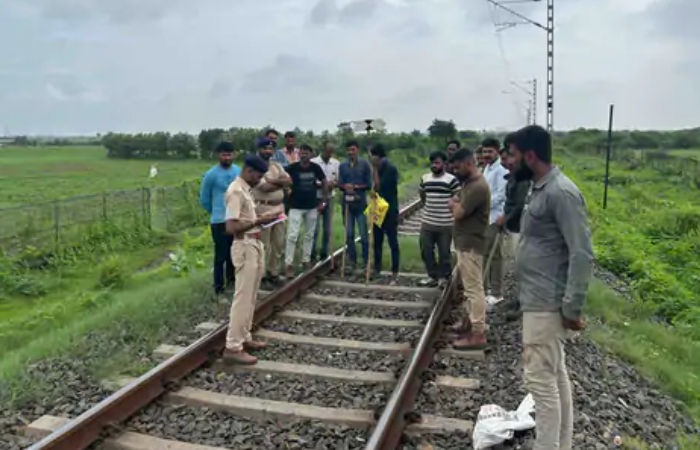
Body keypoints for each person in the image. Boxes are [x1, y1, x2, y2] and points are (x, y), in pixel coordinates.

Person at [510, 124, 593, 450]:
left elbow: (582, 253)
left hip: (545, 304)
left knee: (541, 384)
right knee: (556, 377)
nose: (510, 161)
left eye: (514, 155)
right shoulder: (540, 188)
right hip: (538, 299)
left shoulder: (561, 193)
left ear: (530, 156)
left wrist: (572, 307)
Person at [222, 155, 279, 365]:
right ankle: (233, 346)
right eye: (258, 176)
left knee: (252, 295)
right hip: (244, 245)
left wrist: (262, 221)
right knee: (243, 297)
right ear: (248, 171)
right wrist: (258, 220)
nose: (259, 180)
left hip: (254, 243)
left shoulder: (246, 190)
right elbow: (231, 227)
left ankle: (245, 336)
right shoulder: (236, 191)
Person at [447, 148, 490, 350]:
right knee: (468, 287)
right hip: (465, 242)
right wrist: (456, 203)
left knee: (474, 289)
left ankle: (478, 333)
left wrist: (454, 205)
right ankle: (469, 323)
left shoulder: (477, 187)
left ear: (469, 163)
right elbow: (457, 201)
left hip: (471, 243)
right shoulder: (469, 183)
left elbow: (458, 212)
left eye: (458, 167)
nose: (455, 171)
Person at [199, 141, 241, 296]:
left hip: (235, 219)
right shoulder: (211, 175)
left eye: (229, 155)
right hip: (219, 221)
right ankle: (219, 288)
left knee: (234, 253)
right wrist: (216, 212)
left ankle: (232, 282)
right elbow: (204, 199)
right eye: (224, 155)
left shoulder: (238, 171)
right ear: (218, 155)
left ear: (234, 155)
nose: (227, 158)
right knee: (220, 255)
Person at [418, 151, 461, 288]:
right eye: (432, 163)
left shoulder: (451, 180)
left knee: (444, 253)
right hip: (428, 222)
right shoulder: (425, 179)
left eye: (437, 163)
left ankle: (444, 277)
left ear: (444, 164)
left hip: (446, 224)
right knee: (426, 250)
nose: (434, 165)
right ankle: (433, 276)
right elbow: (422, 195)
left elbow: (458, 196)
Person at [252, 137, 291, 287]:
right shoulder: (255, 167)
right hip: (263, 208)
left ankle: (273, 273)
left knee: (278, 243)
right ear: (259, 150)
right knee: (264, 244)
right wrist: (281, 183)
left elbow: (289, 181)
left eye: (270, 149)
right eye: (265, 148)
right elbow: (264, 188)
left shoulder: (276, 166)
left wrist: (273, 181)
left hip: (278, 208)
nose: (268, 151)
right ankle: (261, 277)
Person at [284, 144, 327, 277]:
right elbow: (283, 178)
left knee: (309, 235)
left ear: (311, 154)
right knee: (292, 235)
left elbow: (324, 181)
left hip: (311, 206)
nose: (303, 155)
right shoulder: (292, 167)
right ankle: (288, 264)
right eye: (301, 153)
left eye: (306, 153)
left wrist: (323, 201)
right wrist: (286, 190)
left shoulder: (315, 167)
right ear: (299, 154)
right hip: (295, 206)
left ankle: (306, 260)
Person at [481, 137, 509, 306]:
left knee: (495, 255)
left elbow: (501, 195)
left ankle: (497, 293)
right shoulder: (487, 168)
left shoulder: (501, 170)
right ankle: (484, 290)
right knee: (485, 254)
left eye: (490, 151)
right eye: (484, 151)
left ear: (497, 151)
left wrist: (482, 204)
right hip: (485, 217)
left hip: (495, 217)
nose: (486, 154)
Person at [338, 140, 372, 276]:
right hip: (347, 205)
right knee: (349, 234)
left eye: (353, 149)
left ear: (357, 150)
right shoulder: (343, 166)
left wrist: (355, 187)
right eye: (348, 150)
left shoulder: (365, 164)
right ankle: (352, 261)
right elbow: (340, 183)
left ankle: (365, 261)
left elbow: (368, 184)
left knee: (364, 235)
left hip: (360, 204)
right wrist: (345, 187)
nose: (350, 152)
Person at [369, 143, 400, 283]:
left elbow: (378, 186)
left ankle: (395, 270)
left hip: (389, 208)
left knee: (392, 241)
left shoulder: (390, 168)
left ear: (377, 156)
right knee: (377, 240)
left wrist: (375, 169)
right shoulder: (376, 168)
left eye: (372, 156)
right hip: (377, 207)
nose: (370, 159)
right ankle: (377, 268)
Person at [310, 140, 340, 262]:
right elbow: (311, 181)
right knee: (314, 228)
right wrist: (323, 185)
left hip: (329, 198)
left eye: (331, 152)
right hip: (316, 198)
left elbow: (338, 180)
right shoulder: (313, 162)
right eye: (328, 152)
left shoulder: (336, 163)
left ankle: (324, 253)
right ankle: (312, 254)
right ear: (323, 150)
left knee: (327, 229)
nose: (329, 154)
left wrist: (333, 184)